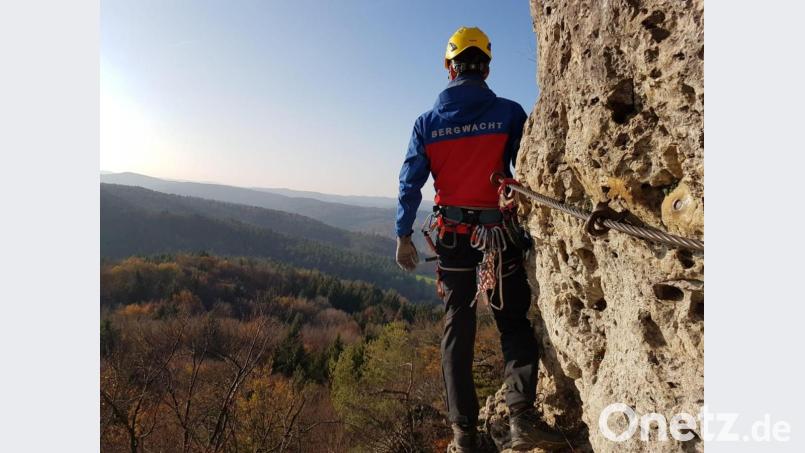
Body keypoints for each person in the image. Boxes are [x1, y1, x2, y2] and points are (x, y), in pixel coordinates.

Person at [395, 27, 566, 452]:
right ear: (486, 68)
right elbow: (532, 166)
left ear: (448, 67)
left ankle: (464, 434)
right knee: (512, 320)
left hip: (452, 236)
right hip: (498, 234)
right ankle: (521, 417)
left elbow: (410, 184)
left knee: (458, 324)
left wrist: (403, 234)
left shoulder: (427, 124)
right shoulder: (508, 113)